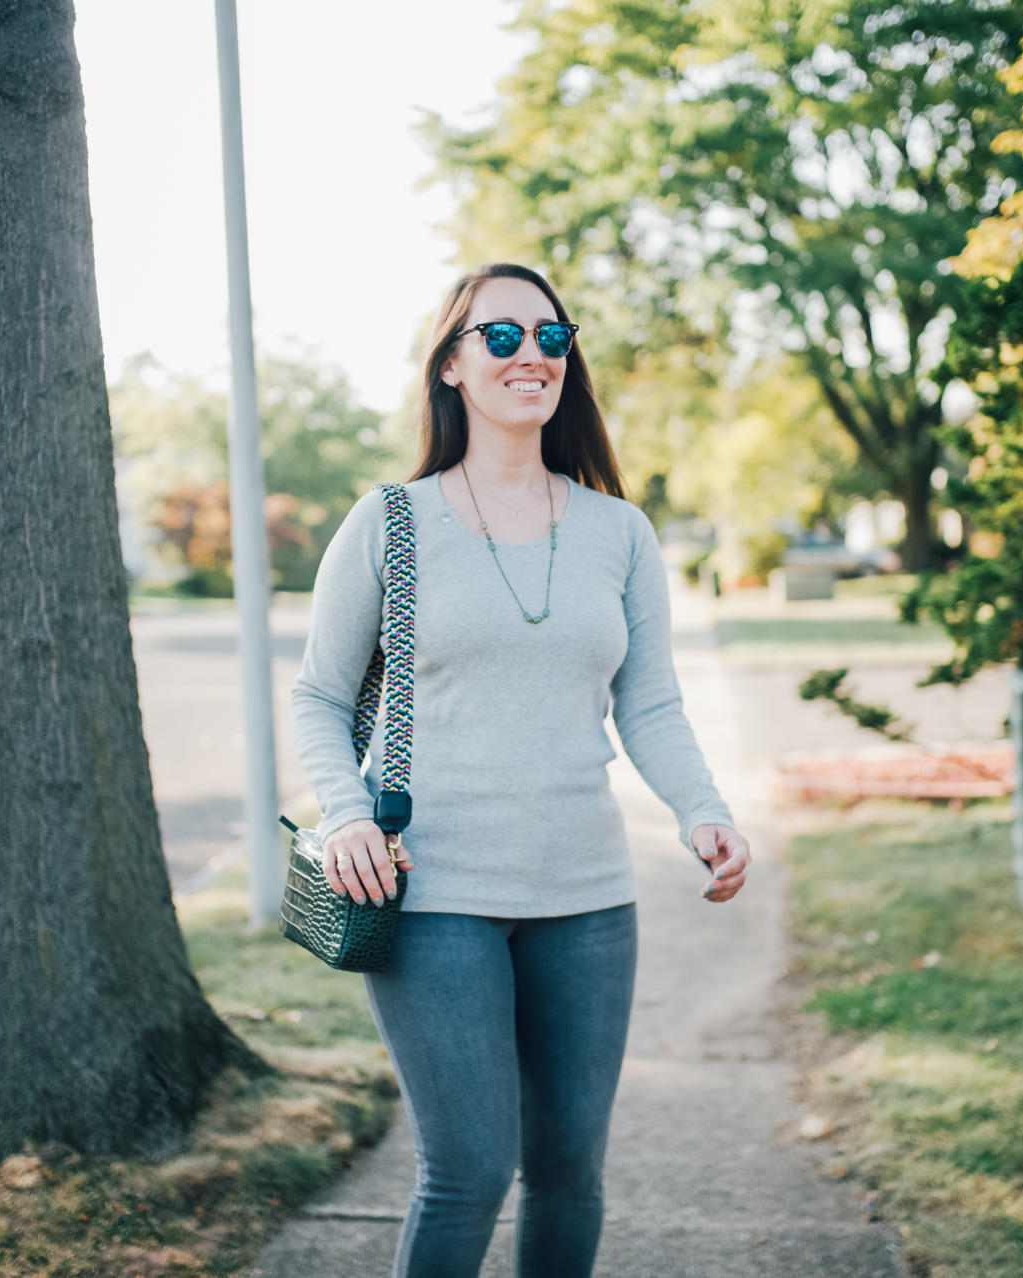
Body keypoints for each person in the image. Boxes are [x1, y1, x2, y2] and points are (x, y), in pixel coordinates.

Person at [288, 262, 750, 1278]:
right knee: (470, 1169)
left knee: (569, 1170)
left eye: (551, 335)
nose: (530, 354)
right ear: (452, 365)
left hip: (587, 896)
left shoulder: (618, 533)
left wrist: (703, 809)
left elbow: (652, 703)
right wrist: (348, 814)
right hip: (435, 893)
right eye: (500, 337)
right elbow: (319, 697)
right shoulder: (390, 524)